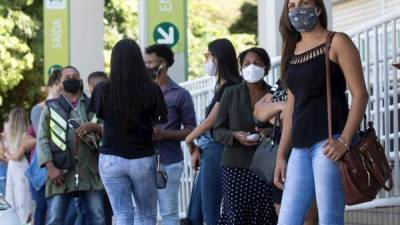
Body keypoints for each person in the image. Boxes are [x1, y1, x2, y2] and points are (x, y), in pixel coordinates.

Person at [274, 1, 369, 225]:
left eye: (304, 2)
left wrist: (344, 142)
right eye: (292, 5)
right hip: (299, 146)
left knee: (329, 219)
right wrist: (280, 155)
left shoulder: (336, 41)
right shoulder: (291, 49)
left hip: (329, 141)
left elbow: (360, 94)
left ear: (318, 8)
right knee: (287, 219)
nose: (297, 9)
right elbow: (292, 107)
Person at [90, 39, 168, 225]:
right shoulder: (151, 88)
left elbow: (96, 115)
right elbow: (161, 120)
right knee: (147, 214)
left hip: (111, 158)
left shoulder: (102, 89)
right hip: (142, 158)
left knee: (122, 214)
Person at [212, 46, 277, 225]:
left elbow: (285, 125)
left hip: (267, 164)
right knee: (236, 214)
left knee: (266, 213)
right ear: (241, 68)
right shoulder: (230, 93)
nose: (251, 67)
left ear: (266, 67)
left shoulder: (275, 93)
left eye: (256, 63)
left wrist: (269, 132)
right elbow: (217, 130)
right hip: (235, 165)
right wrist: (234, 136)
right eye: (247, 63)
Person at [37, 65, 105, 225]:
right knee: (55, 219)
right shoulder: (50, 108)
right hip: (60, 173)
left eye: (75, 76)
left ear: (81, 81)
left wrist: (95, 128)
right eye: (67, 77)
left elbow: (108, 132)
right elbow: (42, 139)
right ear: (60, 83)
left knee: (99, 219)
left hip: (90, 172)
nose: (72, 79)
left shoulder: (93, 106)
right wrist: (51, 167)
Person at [185, 38, 242, 225]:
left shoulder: (231, 86)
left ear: (218, 58)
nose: (206, 61)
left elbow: (211, 121)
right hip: (208, 149)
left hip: (217, 149)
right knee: (196, 212)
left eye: (208, 56)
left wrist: (189, 139)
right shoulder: (221, 86)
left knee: (210, 210)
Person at [143, 44, 196, 225]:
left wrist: (164, 134)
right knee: (142, 213)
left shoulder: (181, 95)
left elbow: (191, 130)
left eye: (149, 62)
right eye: (144, 62)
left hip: (170, 161)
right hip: (141, 160)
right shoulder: (138, 93)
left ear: (163, 65)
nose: (145, 66)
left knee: (168, 212)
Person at [254, 79, 318, 225]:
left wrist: (276, 113)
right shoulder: (282, 82)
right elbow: (258, 111)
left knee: (308, 217)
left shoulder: (310, 76)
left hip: (305, 149)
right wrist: (280, 106)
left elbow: (295, 115)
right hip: (280, 158)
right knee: (283, 215)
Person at [3, 108, 33, 223]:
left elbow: (10, 154)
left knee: (12, 199)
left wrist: (7, 155)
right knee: (23, 199)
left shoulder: (8, 134)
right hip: (21, 168)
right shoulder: (25, 135)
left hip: (12, 167)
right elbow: (19, 156)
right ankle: (25, 222)